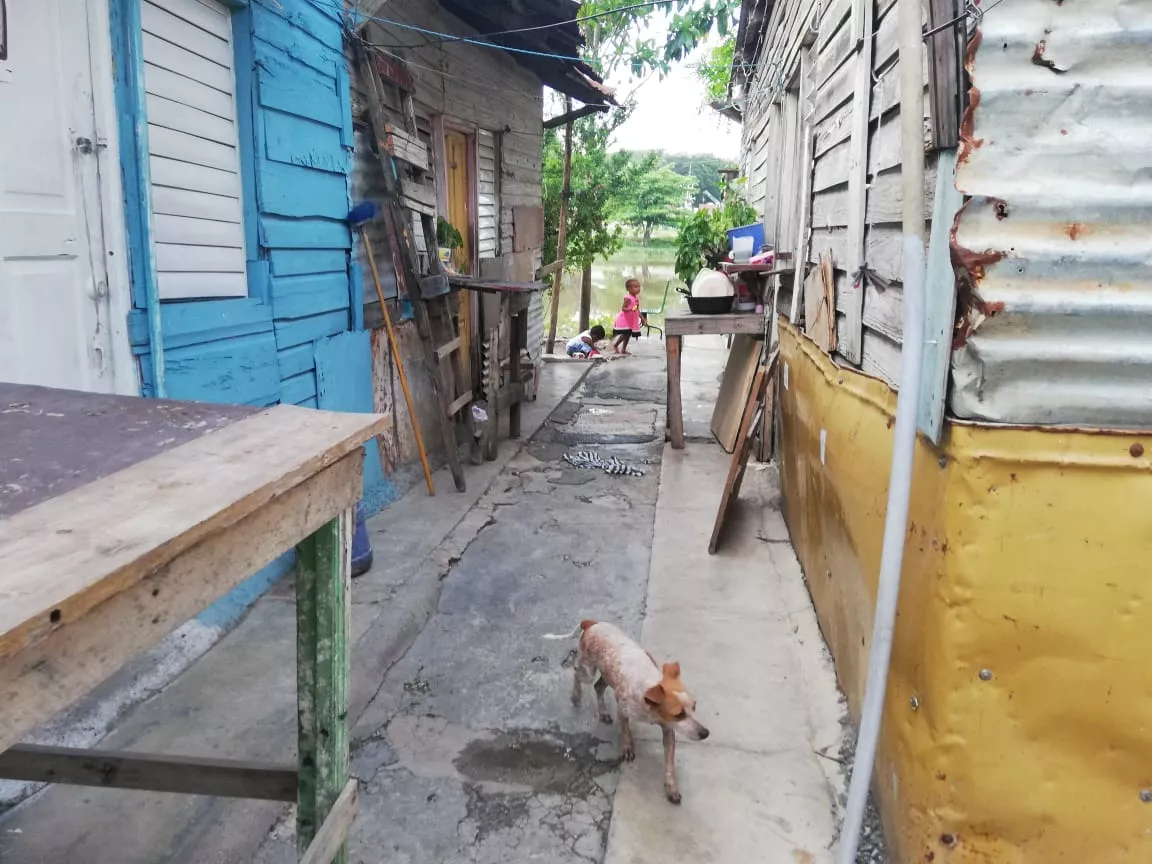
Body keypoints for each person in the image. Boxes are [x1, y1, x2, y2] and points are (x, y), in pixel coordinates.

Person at [612, 279, 643, 354]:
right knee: (625, 334)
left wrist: (642, 318)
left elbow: (636, 309)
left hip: (631, 319)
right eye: (635, 287)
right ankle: (615, 345)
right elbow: (623, 308)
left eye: (639, 286)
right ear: (629, 289)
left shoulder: (636, 298)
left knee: (628, 335)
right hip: (624, 319)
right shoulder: (628, 298)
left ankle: (623, 349)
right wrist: (630, 309)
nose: (638, 288)